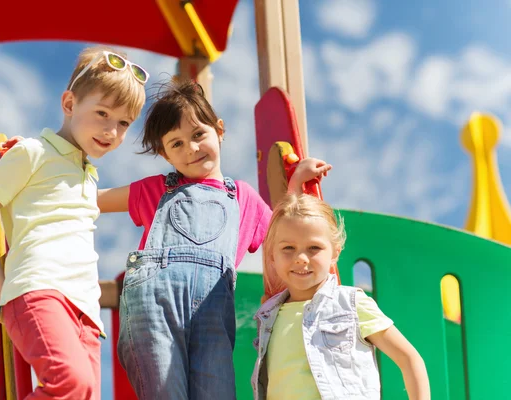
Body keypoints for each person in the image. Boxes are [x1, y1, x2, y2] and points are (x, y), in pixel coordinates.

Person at [96, 79, 332, 399]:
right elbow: (92, 201)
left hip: (211, 319)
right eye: (176, 144)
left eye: (197, 135)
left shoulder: (243, 198)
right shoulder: (156, 190)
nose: (191, 148)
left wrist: (296, 183)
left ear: (219, 130)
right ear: (166, 155)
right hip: (155, 309)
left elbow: (283, 232)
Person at [0, 46, 148, 399]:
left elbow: (123, 197)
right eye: (102, 113)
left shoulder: (86, 176)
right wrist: (0, 283)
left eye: (123, 123)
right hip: (38, 290)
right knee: (71, 384)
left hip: (85, 312)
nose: (111, 130)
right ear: (69, 104)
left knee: (85, 392)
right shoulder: (32, 152)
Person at [252, 193, 430, 400]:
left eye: (314, 248)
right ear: (272, 255)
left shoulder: (351, 304)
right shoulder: (268, 315)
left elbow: (409, 358)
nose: (301, 258)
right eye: (288, 248)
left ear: (335, 253)